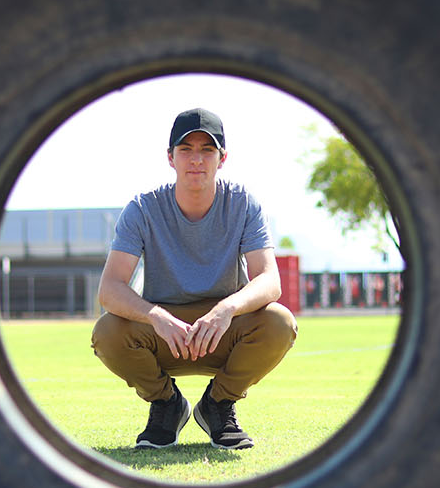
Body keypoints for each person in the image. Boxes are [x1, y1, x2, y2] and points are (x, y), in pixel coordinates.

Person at [92, 107, 298, 450]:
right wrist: (155, 316)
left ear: (223, 158)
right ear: (170, 158)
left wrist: (226, 310)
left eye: (207, 150)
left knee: (279, 321)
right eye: (186, 149)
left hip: (222, 331)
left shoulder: (244, 203)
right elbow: (110, 288)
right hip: (165, 332)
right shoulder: (143, 209)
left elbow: (269, 280)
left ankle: (218, 405)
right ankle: (166, 405)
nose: (196, 160)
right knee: (107, 332)